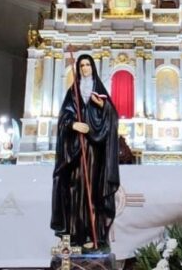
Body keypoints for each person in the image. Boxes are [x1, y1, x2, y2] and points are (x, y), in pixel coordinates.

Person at [51, 54, 119, 250]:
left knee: (94, 191)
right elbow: (63, 117)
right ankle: (74, 235)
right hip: (75, 151)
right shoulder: (72, 93)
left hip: (94, 152)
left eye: (88, 65)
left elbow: (113, 117)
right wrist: (73, 124)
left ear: (93, 68)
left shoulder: (99, 92)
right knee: (75, 190)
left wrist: (103, 106)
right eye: (81, 65)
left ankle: (92, 234)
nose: (85, 68)